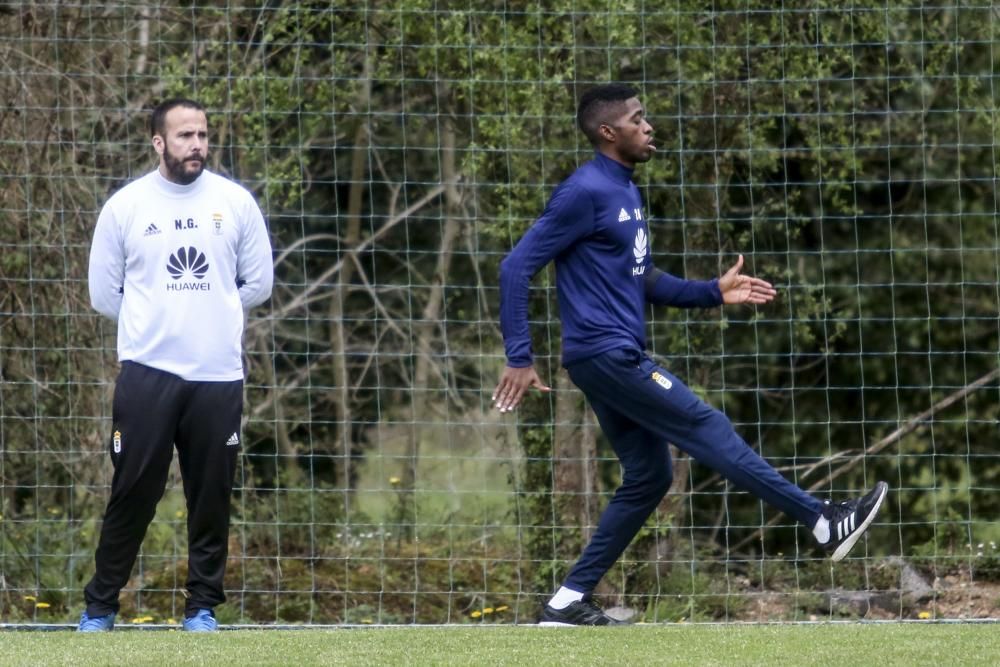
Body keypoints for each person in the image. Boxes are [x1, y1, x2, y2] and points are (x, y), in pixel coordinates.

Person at [492, 83, 888, 626]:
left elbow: (643, 279)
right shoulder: (583, 191)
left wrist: (712, 293)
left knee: (650, 475)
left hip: (606, 356)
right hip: (607, 355)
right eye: (637, 118)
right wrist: (520, 355)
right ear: (609, 133)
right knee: (707, 424)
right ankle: (822, 521)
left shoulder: (625, 191)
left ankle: (567, 601)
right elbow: (515, 267)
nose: (648, 125)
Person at [79, 98, 273, 632]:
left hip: (217, 375)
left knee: (210, 496)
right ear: (158, 142)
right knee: (134, 490)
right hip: (147, 372)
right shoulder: (126, 206)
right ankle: (99, 607)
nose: (198, 145)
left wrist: (207, 312)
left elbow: (258, 283)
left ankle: (202, 608)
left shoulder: (235, 203)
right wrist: (156, 321)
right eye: (185, 136)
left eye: (204, 135)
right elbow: (103, 294)